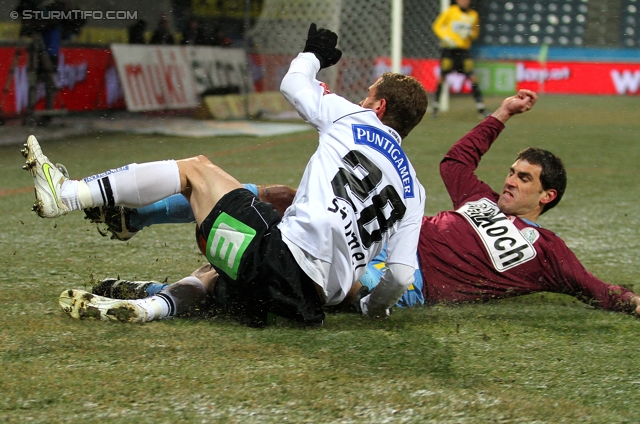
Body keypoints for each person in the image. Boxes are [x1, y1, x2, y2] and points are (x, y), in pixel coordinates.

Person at [77, 90, 640, 320]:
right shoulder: (482, 201)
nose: (510, 182)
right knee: (287, 198)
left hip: (400, 278)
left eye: (524, 179)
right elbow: (453, 165)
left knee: (262, 263)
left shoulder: (549, 252)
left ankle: (159, 296)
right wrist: (503, 116)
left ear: (549, 197)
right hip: (374, 236)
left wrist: (633, 302)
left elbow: (596, 289)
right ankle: (138, 218)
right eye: (512, 172)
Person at [23, 23, 429, 327]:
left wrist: (313, 54)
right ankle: (151, 307)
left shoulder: (355, 118)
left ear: (378, 107)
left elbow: (293, 84)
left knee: (198, 171)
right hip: (307, 304)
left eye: (369, 92)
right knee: (232, 266)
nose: (362, 98)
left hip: (278, 259)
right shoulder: (415, 190)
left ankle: (70, 194)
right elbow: (400, 275)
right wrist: (372, 309)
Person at [431, 0, 487, 118]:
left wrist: (470, 34)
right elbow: (437, 25)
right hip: (449, 50)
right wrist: (445, 37)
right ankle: (435, 107)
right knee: (442, 77)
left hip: (463, 51)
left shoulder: (473, 15)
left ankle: (481, 108)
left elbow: (476, 33)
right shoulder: (451, 11)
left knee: (472, 77)